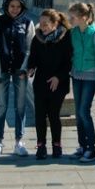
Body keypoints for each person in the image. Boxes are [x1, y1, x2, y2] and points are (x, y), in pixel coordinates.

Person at [0, 0, 36, 157]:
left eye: (18, 6)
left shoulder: (27, 23)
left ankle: (19, 141)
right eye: (12, 6)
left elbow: (31, 48)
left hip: (20, 70)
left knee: (20, 106)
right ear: (7, 6)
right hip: (2, 70)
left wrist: (25, 68)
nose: (15, 9)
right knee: (1, 106)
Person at [29, 9, 73, 160]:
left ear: (55, 24)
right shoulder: (37, 38)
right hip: (41, 83)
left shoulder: (65, 38)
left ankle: (57, 145)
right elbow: (33, 58)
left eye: (45, 24)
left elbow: (69, 62)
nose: (42, 27)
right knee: (40, 116)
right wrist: (30, 68)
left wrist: (58, 77)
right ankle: (41, 146)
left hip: (58, 84)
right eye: (40, 23)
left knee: (54, 115)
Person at [68, 2, 95, 162]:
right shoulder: (74, 33)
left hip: (90, 78)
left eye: (73, 17)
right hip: (76, 76)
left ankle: (92, 149)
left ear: (84, 17)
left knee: (84, 112)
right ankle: (82, 146)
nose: (70, 20)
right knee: (78, 113)